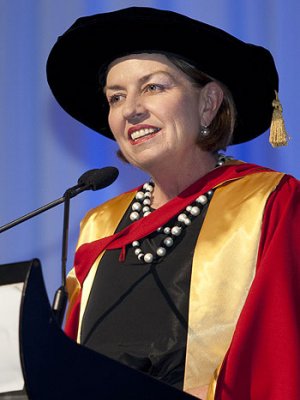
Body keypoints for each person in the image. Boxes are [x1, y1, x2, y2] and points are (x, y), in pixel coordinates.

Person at [46, 6, 300, 400]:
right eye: (116, 97)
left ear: (208, 104)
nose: (130, 109)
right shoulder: (100, 224)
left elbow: (277, 355)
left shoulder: (266, 202)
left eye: (153, 87)